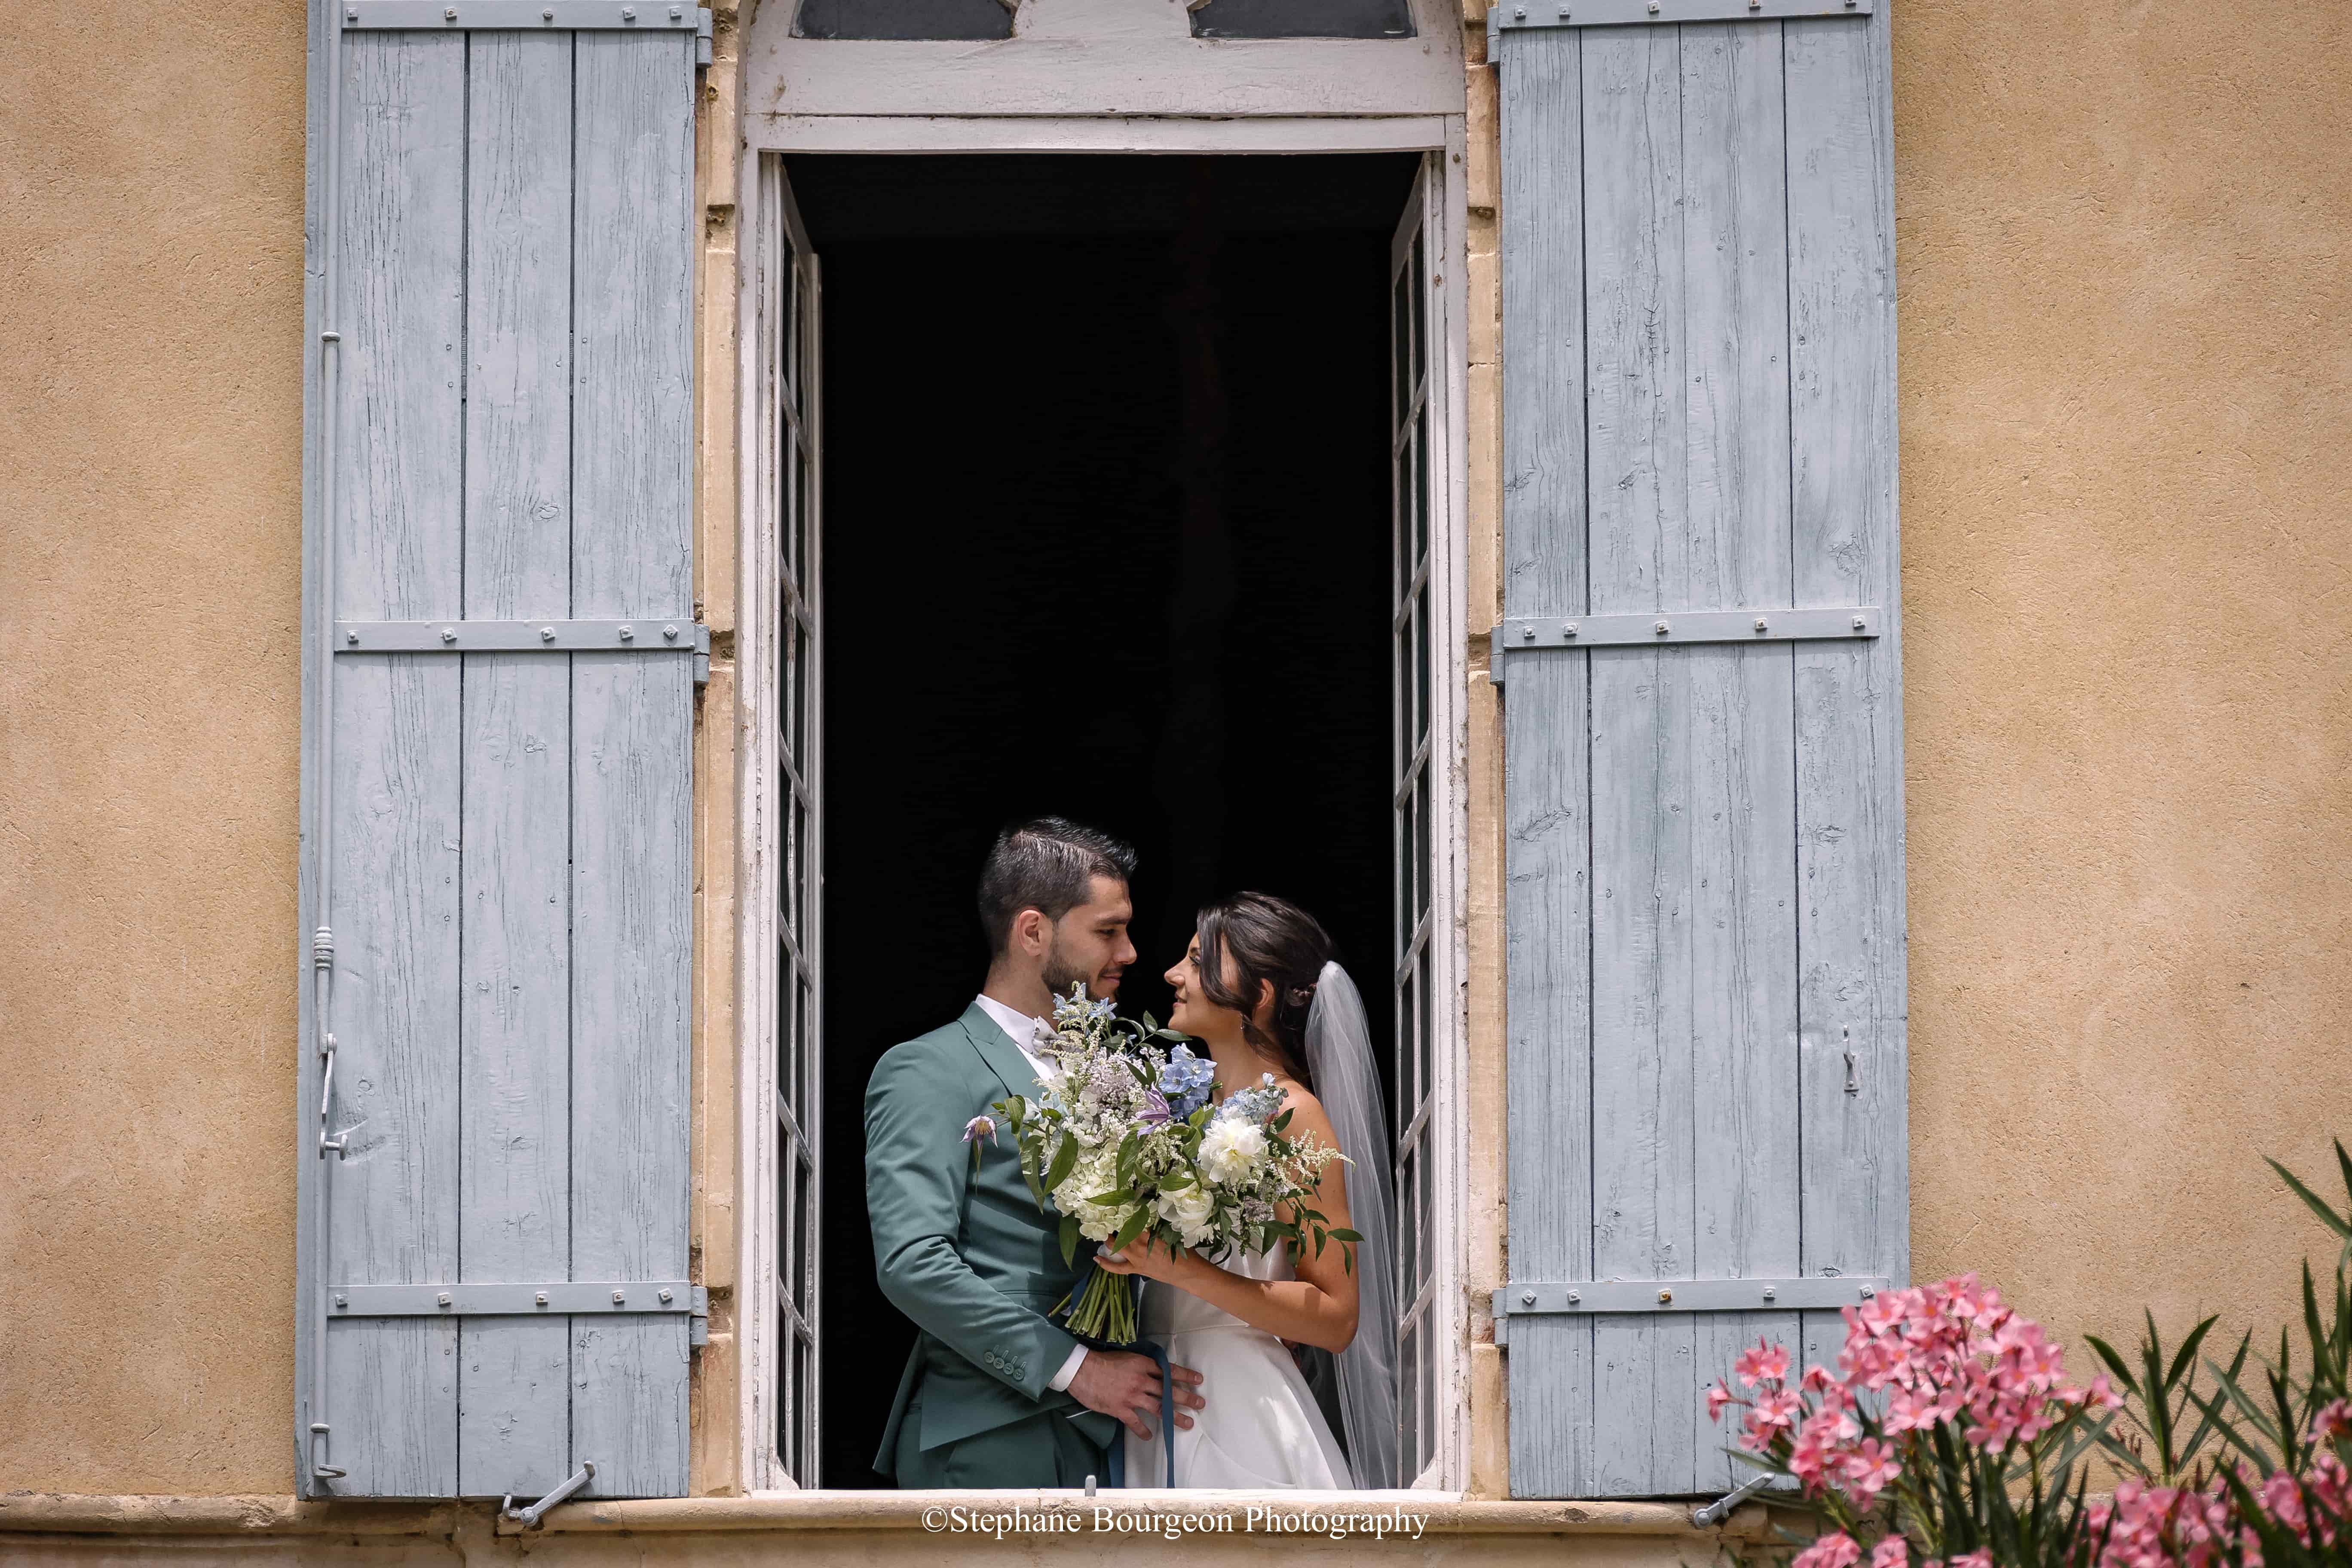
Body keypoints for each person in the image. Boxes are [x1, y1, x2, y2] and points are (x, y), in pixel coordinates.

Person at [865, 817, 1208, 1487]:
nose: (1131, 952)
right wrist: (1078, 1370)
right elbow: (912, 1262)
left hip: (1107, 1438)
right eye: (1108, 931)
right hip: (989, 1434)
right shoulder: (927, 1068)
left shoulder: (1112, 1069)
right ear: (1032, 932)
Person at [1094, 892, 1400, 1489]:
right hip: (1155, 1395)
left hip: (1240, 1406)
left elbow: (1337, 1318)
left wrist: (1180, 1270)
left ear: (1258, 995)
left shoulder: (1294, 1115)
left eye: (1196, 959)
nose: (1171, 974)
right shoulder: (1178, 1112)